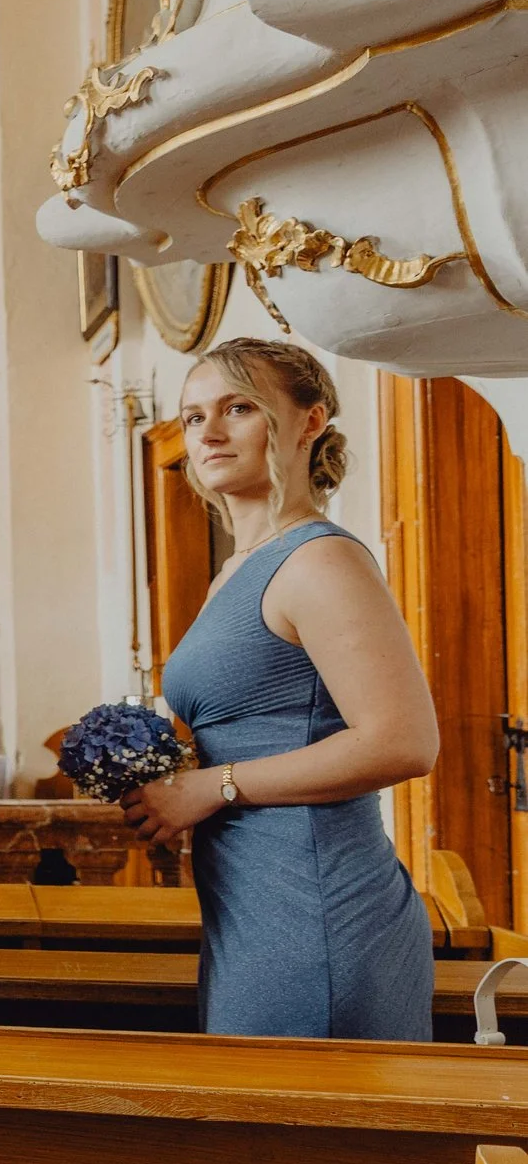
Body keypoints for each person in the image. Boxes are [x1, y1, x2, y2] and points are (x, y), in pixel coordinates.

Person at [122, 339, 437, 1041]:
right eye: (194, 414)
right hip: (250, 903)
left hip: (317, 908)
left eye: (239, 408)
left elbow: (405, 740)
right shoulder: (236, 572)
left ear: (309, 420)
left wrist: (211, 786)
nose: (208, 430)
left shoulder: (319, 559)